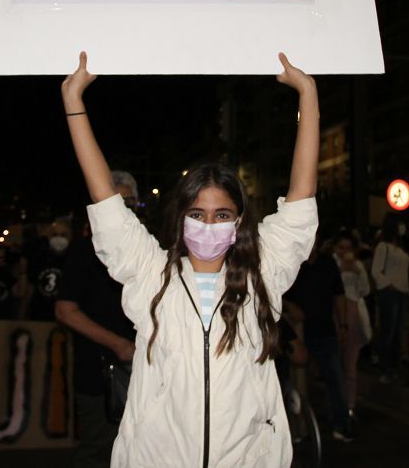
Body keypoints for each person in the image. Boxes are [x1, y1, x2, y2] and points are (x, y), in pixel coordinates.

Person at [61, 51, 319, 468]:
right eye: (196, 215)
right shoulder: (150, 273)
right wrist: (74, 100)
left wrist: (308, 94)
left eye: (221, 215)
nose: (208, 225)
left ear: (239, 221)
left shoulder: (261, 276)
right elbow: (105, 200)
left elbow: (300, 202)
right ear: (180, 218)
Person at [56, 181, 138, 468]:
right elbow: (65, 311)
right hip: (99, 374)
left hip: (144, 374)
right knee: (101, 450)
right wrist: (118, 344)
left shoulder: (147, 248)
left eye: (131, 203)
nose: (125, 211)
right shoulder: (84, 252)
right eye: (117, 203)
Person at [285, 237, 353, 442]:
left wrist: (342, 324)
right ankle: (298, 428)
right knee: (296, 383)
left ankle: (341, 424)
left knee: (335, 377)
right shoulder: (291, 263)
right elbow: (274, 292)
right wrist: (289, 306)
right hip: (299, 332)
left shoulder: (327, 263)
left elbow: (338, 295)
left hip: (325, 330)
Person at [332, 231, 371, 426]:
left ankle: (349, 405)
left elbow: (366, 290)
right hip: (335, 315)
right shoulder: (331, 266)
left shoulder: (358, 266)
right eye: (341, 248)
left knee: (350, 365)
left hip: (354, 314)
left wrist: (357, 272)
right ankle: (335, 405)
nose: (345, 252)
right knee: (333, 365)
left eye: (348, 248)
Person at [371, 215, 409, 382]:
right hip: (390, 292)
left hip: (401, 292)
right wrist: (389, 285)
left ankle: (393, 367)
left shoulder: (400, 248)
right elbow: (376, 270)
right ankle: (385, 368)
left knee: (397, 332)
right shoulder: (383, 246)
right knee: (389, 331)